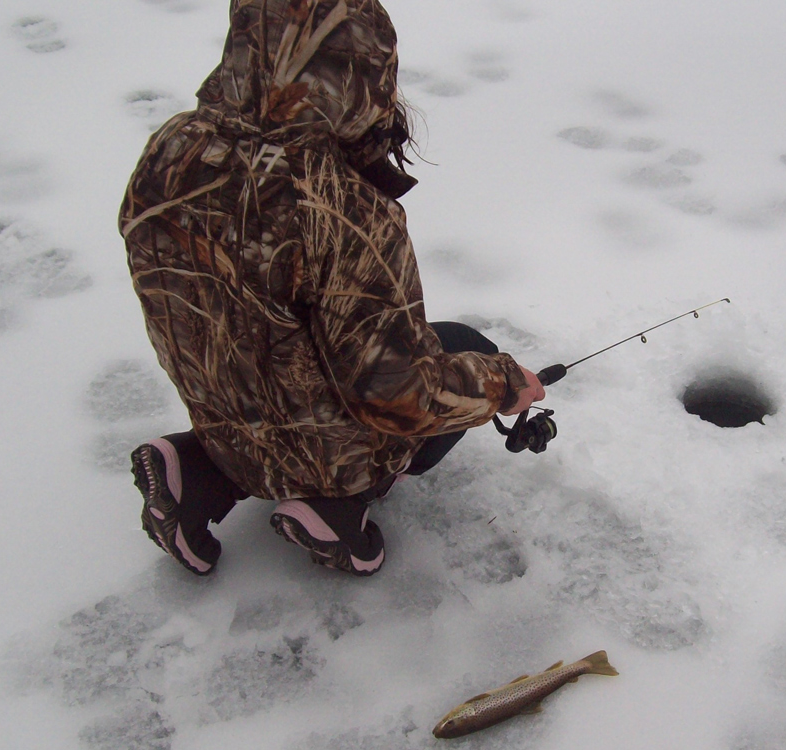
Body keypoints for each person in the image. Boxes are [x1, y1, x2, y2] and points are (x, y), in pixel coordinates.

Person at [118, 0, 545, 578]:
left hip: (224, 422)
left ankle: (193, 469)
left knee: (280, 341)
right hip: (319, 452)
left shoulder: (172, 148)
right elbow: (397, 396)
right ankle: (335, 505)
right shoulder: (338, 208)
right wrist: (503, 386)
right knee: (463, 344)